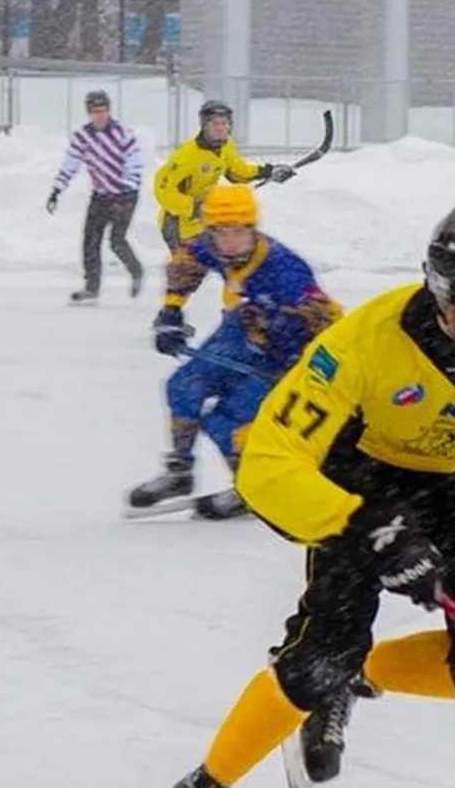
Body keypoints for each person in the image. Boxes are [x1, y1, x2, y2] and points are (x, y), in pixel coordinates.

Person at [133, 204, 455, 788]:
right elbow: (267, 465)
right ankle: (206, 787)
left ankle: (361, 674)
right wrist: (362, 525)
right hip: (361, 483)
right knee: (317, 661)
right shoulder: (362, 342)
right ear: (444, 290)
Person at [124, 183, 341, 520]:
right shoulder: (211, 246)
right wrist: (171, 311)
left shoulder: (287, 271)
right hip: (244, 329)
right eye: (220, 232)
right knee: (183, 386)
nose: (228, 242)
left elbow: (329, 322)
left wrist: (306, 371)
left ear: (252, 229)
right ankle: (179, 470)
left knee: (227, 420)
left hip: (284, 355)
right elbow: (186, 261)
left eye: (237, 232)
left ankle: (251, 486)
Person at [152, 99, 299, 255]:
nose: (221, 128)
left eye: (225, 123)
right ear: (204, 125)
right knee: (188, 273)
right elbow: (162, 189)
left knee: (231, 261)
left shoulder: (225, 145)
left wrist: (268, 172)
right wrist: (194, 208)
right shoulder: (187, 155)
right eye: (215, 123)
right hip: (179, 226)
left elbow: (237, 171)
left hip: (205, 222)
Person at [47, 89, 146, 304]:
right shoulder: (83, 137)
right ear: (89, 113)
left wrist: (121, 194)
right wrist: (57, 189)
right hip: (101, 194)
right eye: (95, 111)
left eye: (104, 111)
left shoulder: (123, 134)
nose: (100, 115)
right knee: (90, 239)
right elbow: (71, 163)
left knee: (116, 240)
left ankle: (136, 271)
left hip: (125, 194)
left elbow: (134, 167)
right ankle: (91, 288)